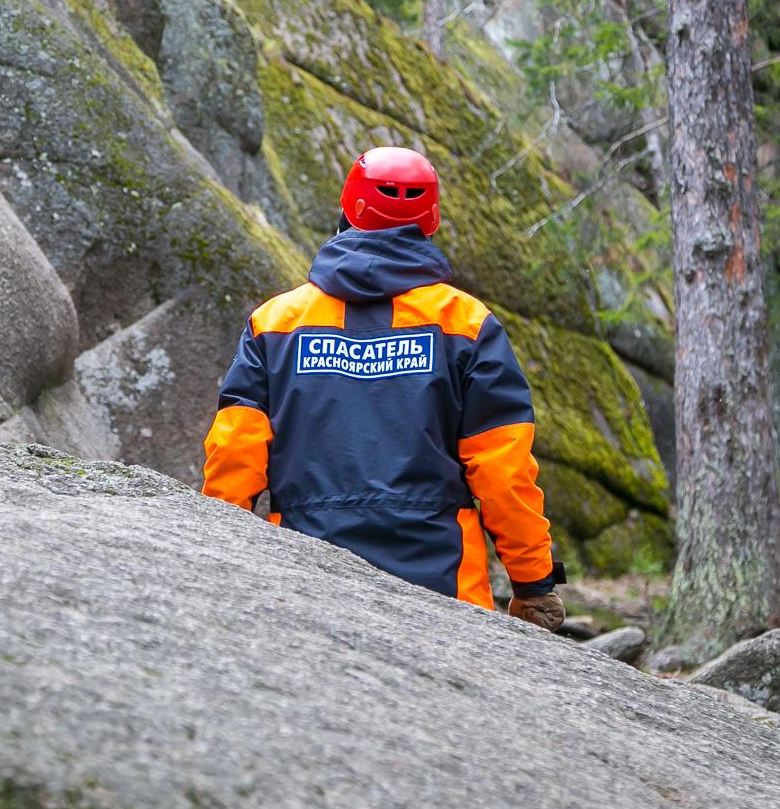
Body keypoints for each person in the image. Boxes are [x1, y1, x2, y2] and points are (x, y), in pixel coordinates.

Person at [202, 147, 566, 630]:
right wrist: (533, 583)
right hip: (442, 581)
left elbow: (235, 454)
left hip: (302, 573)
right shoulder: (466, 323)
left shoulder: (276, 322)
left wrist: (215, 555)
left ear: (349, 208)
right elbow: (504, 471)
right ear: (430, 221)